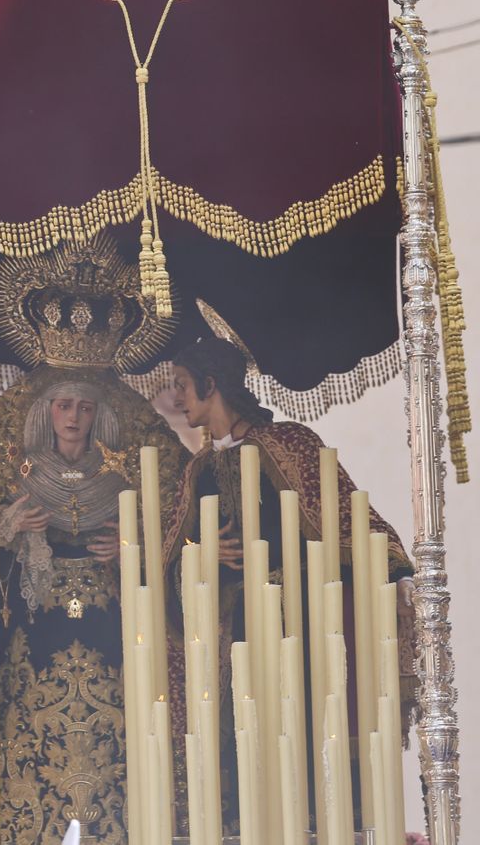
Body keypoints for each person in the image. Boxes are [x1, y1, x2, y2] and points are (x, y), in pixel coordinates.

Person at [0, 236, 193, 844]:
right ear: (47, 412)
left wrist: (137, 548)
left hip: (117, 641)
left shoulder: (132, 466)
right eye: (63, 406)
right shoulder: (10, 464)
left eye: (84, 409)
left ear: (101, 416)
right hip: (32, 642)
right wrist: (6, 531)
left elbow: (187, 535)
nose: (73, 417)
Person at [170, 336, 415, 827]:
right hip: (238, 637)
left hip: (302, 625)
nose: (176, 399)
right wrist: (202, 555)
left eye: (182, 386)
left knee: (311, 745)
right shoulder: (198, 470)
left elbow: (348, 516)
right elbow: (174, 560)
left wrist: (397, 571)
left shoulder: (289, 444)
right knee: (248, 751)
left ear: (211, 384)